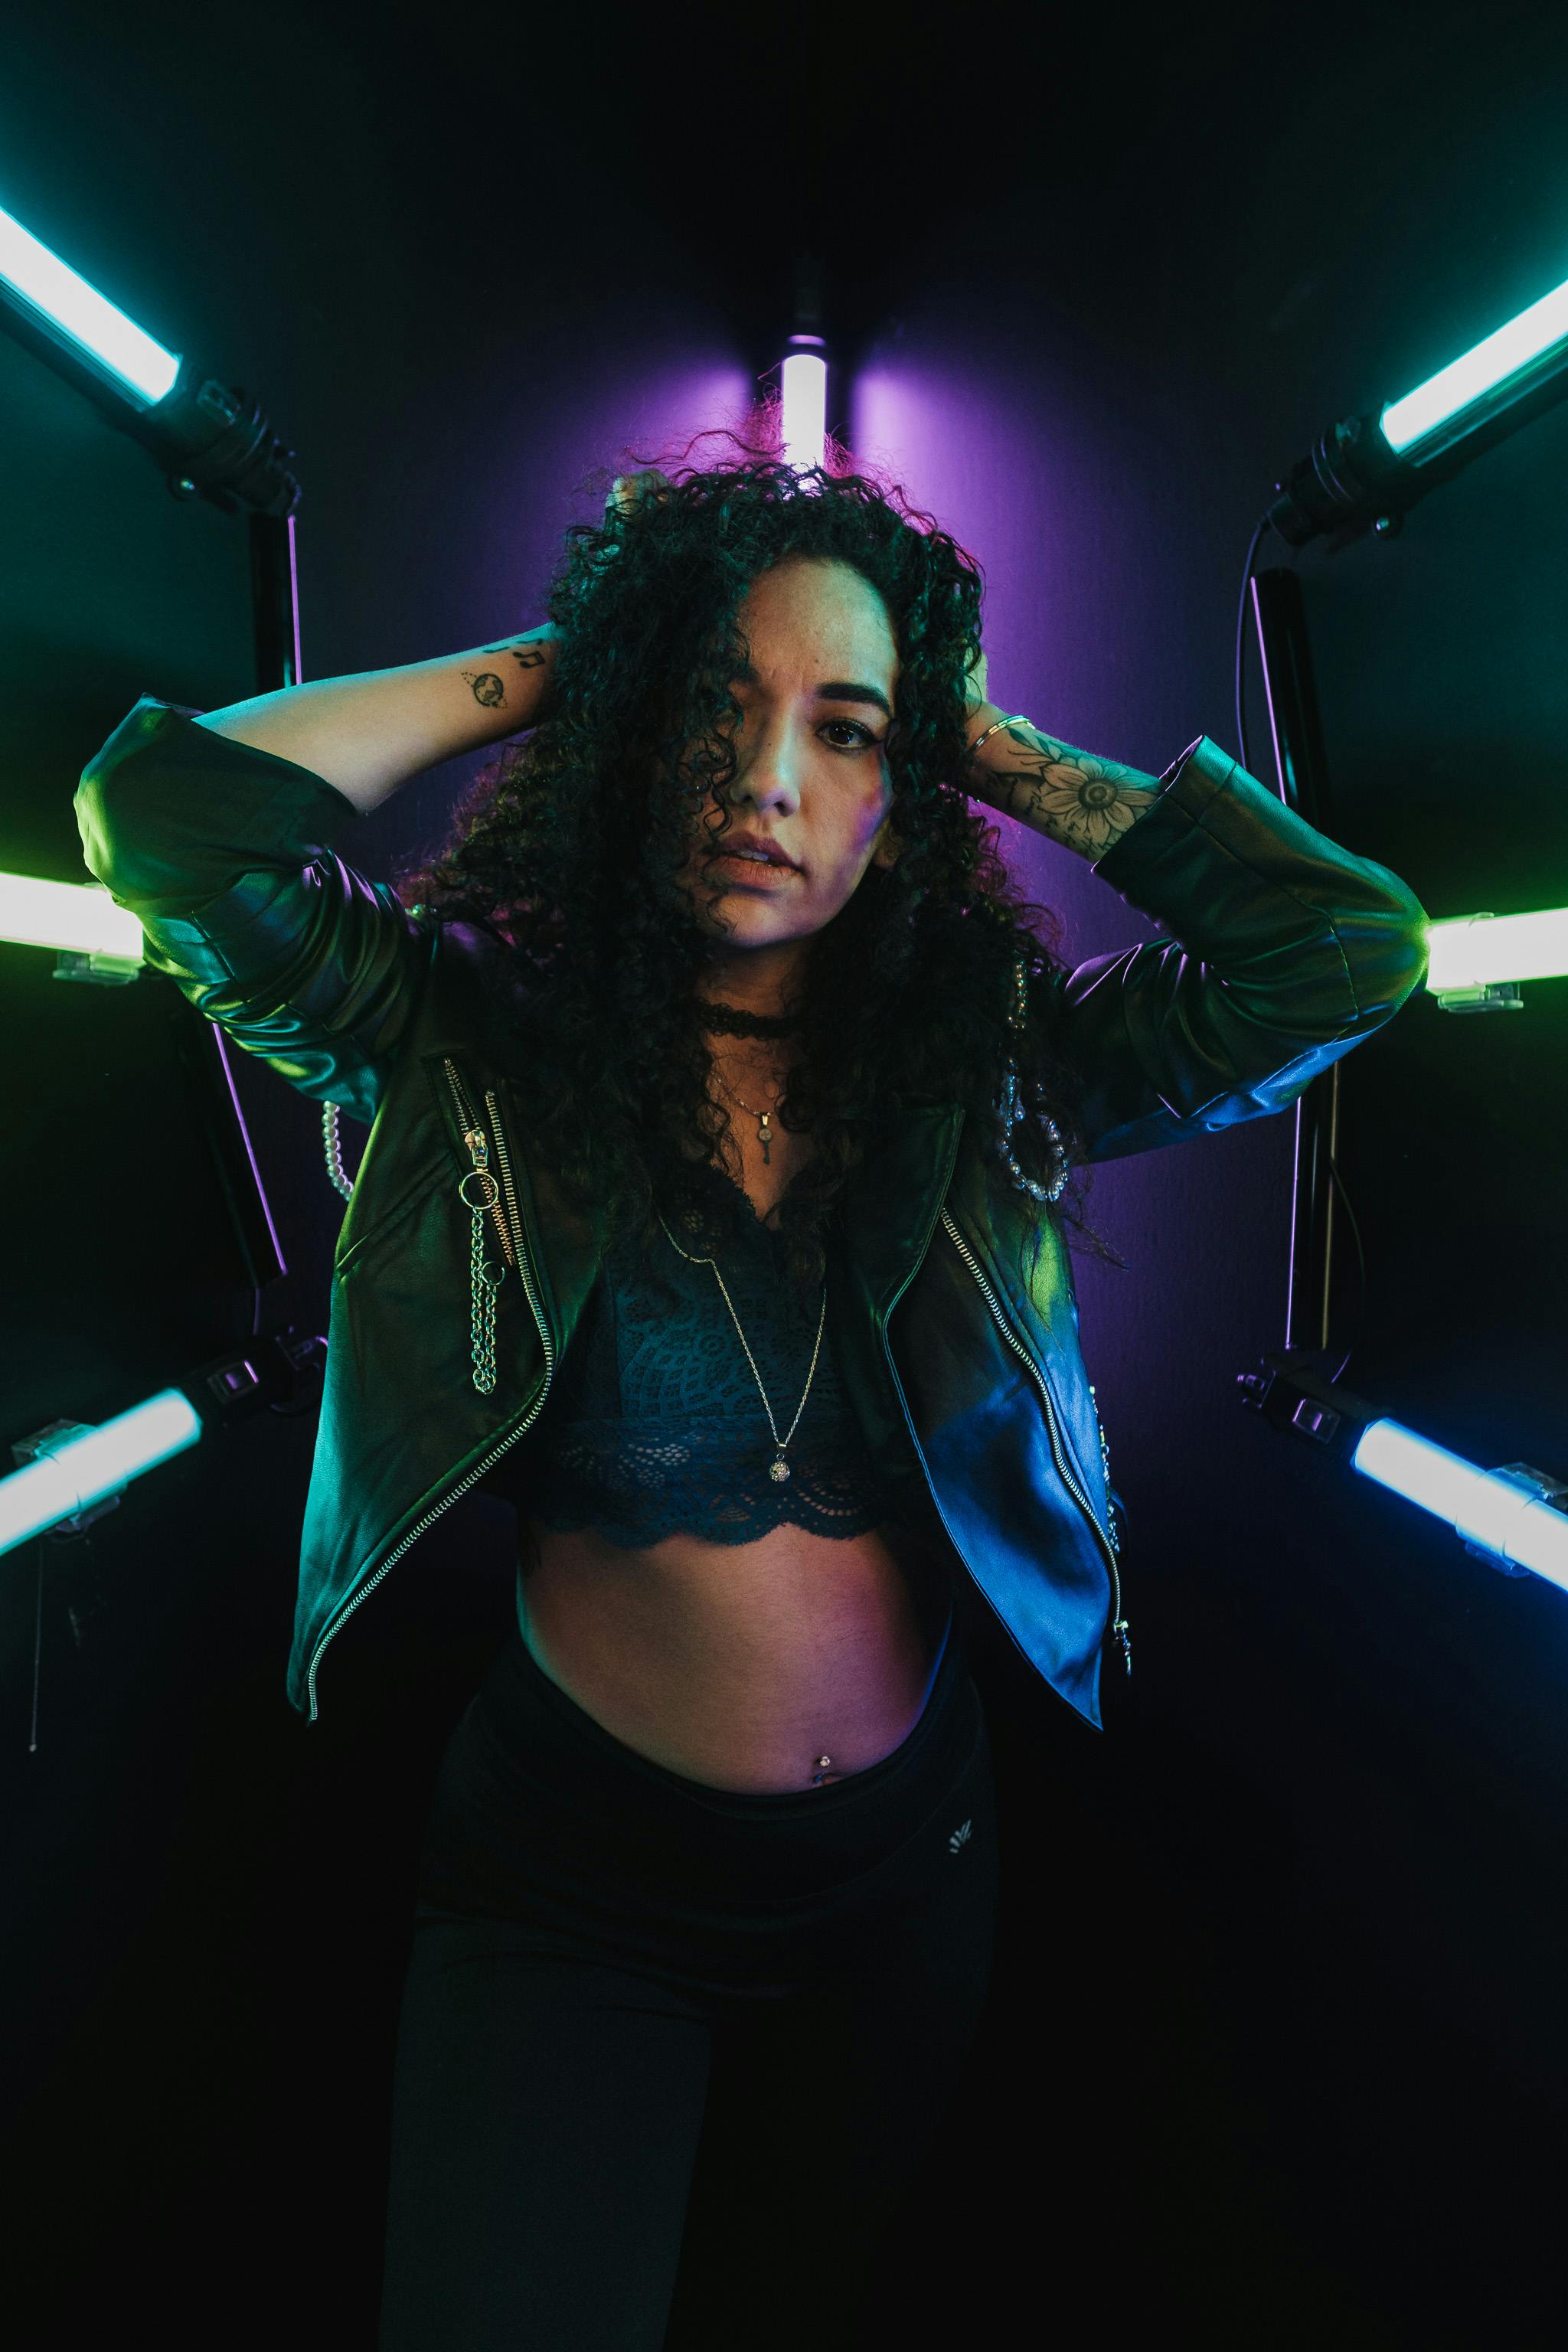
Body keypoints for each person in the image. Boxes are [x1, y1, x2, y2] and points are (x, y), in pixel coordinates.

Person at [74, 407, 1430, 2351]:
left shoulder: (991, 1069)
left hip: (907, 1881)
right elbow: (171, 826)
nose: (768, 780)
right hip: (573, 1890)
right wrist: (569, 665)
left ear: (906, 785)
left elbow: (1340, 951)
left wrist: (977, 738)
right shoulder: (457, 1037)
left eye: (846, 733)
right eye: (710, 709)